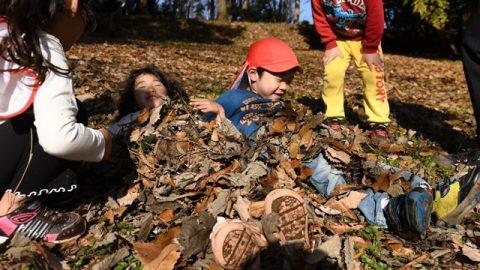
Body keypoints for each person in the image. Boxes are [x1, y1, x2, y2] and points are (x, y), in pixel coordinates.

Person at [0, 0, 124, 244]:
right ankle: (14, 209)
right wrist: (103, 142)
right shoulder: (42, 44)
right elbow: (61, 138)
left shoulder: (7, 33)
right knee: (74, 115)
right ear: (74, 5)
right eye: (87, 23)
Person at [311, 0, 391, 145]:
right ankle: (334, 116)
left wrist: (371, 48)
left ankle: (379, 121)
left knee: (373, 77)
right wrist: (329, 44)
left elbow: (376, 16)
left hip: (366, 39)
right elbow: (320, 18)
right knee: (332, 74)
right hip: (338, 40)